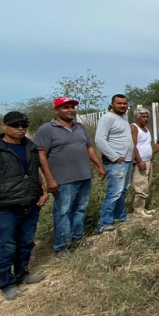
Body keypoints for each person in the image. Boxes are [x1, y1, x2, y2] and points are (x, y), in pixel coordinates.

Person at [0, 112, 48, 300]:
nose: (20, 128)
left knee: (26, 242)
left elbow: (34, 172)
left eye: (24, 125)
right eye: (16, 125)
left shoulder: (30, 147)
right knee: (6, 246)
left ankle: (22, 273)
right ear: (4, 126)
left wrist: (43, 190)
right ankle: (7, 283)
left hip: (30, 203)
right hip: (4, 207)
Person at [35, 96, 106, 253]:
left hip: (84, 176)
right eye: (66, 107)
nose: (71, 110)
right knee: (63, 212)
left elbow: (89, 148)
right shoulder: (47, 130)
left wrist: (99, 166)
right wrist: (49, 179)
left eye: (72, 107)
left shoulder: (80, 127)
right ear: (56, 110)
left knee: (80, 209)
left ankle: (76, 240)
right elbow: (41, 156)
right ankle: (62, 246)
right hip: (63, 180)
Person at [95, 94, 134, 233]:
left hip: (127, 161)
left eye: (125, 103)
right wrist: (114, 157)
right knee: (114, 192)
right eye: (119, 103)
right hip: (116, 162)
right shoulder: (107, 118)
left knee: (123, 190)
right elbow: (99, 140)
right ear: (112, 104)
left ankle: (120, 216)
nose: (123, 105)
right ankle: (104, 222)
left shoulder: (123, 118)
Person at [130, 107, 155, 217]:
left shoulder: (146, 129)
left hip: (147, 160)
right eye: (143, 117)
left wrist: (151, 160)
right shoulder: (134, 128)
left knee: (146, 185)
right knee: (140, 186)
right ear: (137, 117)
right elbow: (133, 145)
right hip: (140, 162)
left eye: (147, 116)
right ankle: (138, 210)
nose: (145, 119)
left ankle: (142, 208)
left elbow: (147, 146)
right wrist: (139, 160)